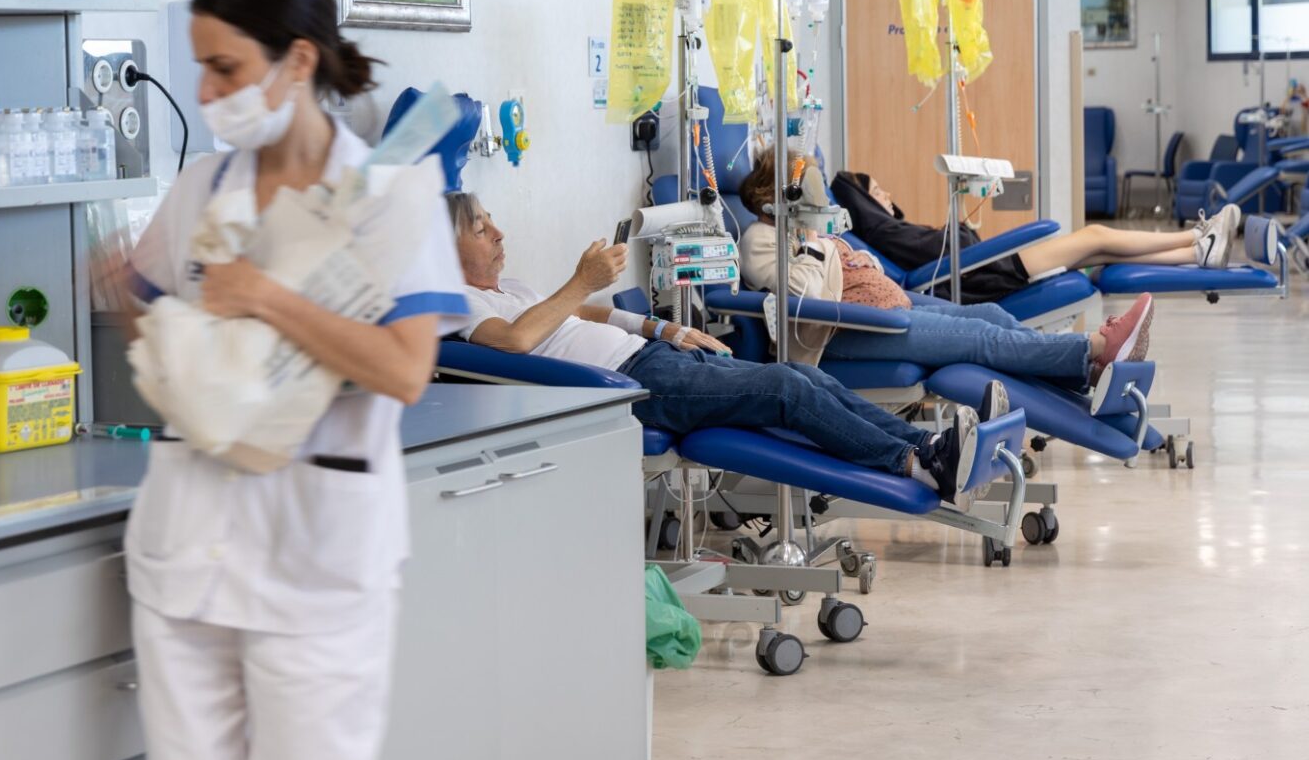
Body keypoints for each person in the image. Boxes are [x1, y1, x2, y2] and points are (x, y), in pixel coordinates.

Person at [118, 0, 469, 760]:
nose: (205, 91)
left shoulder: (389, 197)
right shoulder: (202, 186)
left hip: (317, 564)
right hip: (186, 552)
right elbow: (142, 308)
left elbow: (405, 370)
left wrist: (271, 302)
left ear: (298, 61)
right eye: (202, 68)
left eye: (225, 68)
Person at [446, 192, 1005, 509]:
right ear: (445, 249)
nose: (498, 233)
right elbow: (516, 341)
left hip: (654, 358)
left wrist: (660, 328)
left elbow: (574, 312)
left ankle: (928, 445)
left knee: (799, 376)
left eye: (492, 221)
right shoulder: (457, 303)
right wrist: (582, 280)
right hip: (635, 387)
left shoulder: (509, 289)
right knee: (787, 388)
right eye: (480, 228)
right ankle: (915, 466)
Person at [736, 154, 1155, 387]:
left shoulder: (802, 233)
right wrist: (815, 242)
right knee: (980, 338)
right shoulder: (760, 239)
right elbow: (806, 293)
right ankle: (1095, 348)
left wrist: (843, 254)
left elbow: (849, 269)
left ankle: (1078, 375)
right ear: (778, 198)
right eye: (809, 191)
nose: (818, 200)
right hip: (843, 334)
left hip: (881, 308)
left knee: (989, 315)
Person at [831, 169, 1241, 304]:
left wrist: (961, 229)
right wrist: (961, 229)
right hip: (985, 275)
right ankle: (1193, 234)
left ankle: (1196, 250)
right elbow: (946, 250)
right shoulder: (886, 230)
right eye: (878, 191)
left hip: (986, 267)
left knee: (1100, 250)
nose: (887, 195)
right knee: (1095, 235)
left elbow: (946, 244)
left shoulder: (889, 229)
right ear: (865, 203)